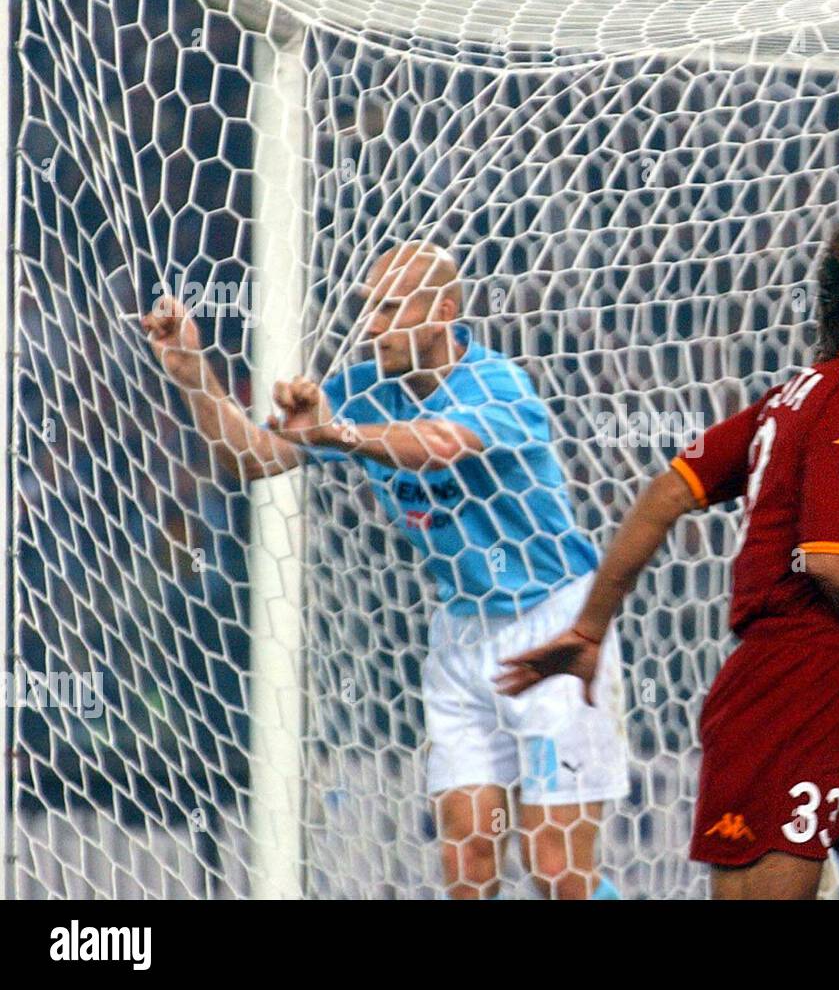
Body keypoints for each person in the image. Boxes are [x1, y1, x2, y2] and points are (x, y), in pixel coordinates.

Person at [496, 214, 839, 900]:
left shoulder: (789, 402)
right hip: (787, 705)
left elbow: (663, 495)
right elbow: (831, 560)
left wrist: (590, 627)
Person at [142, 242, 629, 899]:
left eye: (391, 308)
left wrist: (336, 433)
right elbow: (250, 458)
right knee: (469, 862)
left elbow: (440, 445)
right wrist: (193, 372)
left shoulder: (498, 385)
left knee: (555, 868)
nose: (371, 324)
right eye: (369, 307)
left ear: (443, 313)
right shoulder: (363, 387)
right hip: (463, 634)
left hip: (554, 626)